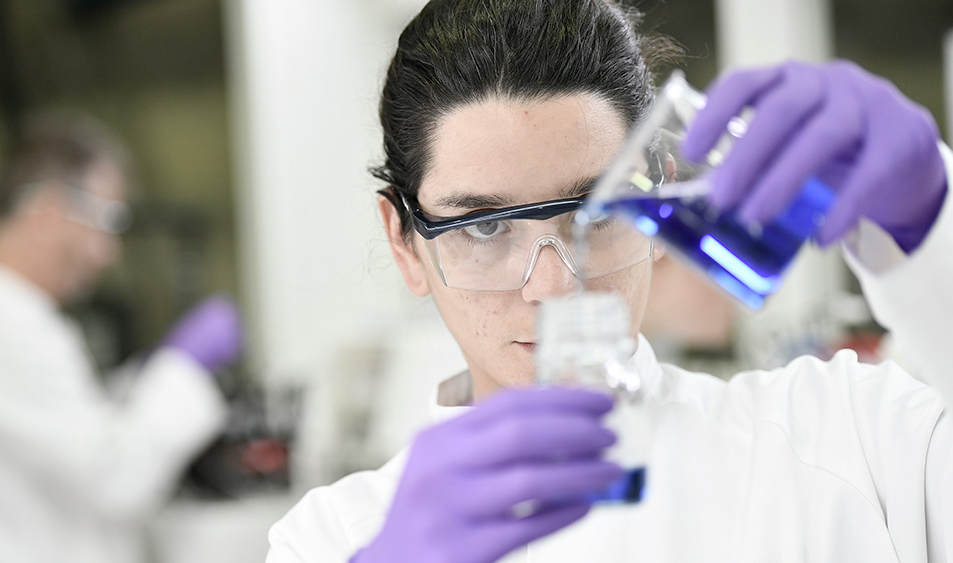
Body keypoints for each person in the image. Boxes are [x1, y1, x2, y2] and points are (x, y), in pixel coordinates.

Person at [266, 1, 953, 561]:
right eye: (485, 227)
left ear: (659, 197)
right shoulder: (331, 540)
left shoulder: (847, 442)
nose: (553, 289)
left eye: (593, 214)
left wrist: (934, 221)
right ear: (405, 244)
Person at [0, 111, 244, 563]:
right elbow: (115, 479)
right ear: (48, 212)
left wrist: (141, 381)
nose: (108, 252)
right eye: (106, 220)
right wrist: (181, 367)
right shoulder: (2, 333)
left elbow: (73, 434)